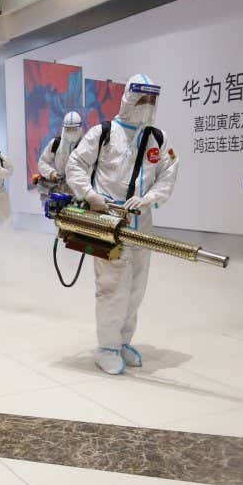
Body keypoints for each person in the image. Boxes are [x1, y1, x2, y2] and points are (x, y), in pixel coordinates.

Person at [66, 74, 179, 375]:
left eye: (153, 100)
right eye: (143, 99)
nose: (148, 106)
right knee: (112, 286)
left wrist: (150, 198)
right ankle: (108, 346)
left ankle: (124, 340)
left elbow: (169, 172)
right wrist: (90, 195)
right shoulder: (102, 133)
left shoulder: (157, 137)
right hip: (108, 222)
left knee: (136, 287)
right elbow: (75, 165)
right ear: (129, 98)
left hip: (142, 224)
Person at [34, 111, 83, 210]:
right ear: (63, 128)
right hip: (61, 190)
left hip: (81, 191)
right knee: (60, 220)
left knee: (79, 223)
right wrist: (52, 174)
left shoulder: (87, 145)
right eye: (68, 129)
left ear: (80, 128)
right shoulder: (56, 144)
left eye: (74, 129)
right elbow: (42, 162)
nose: (71, 133)